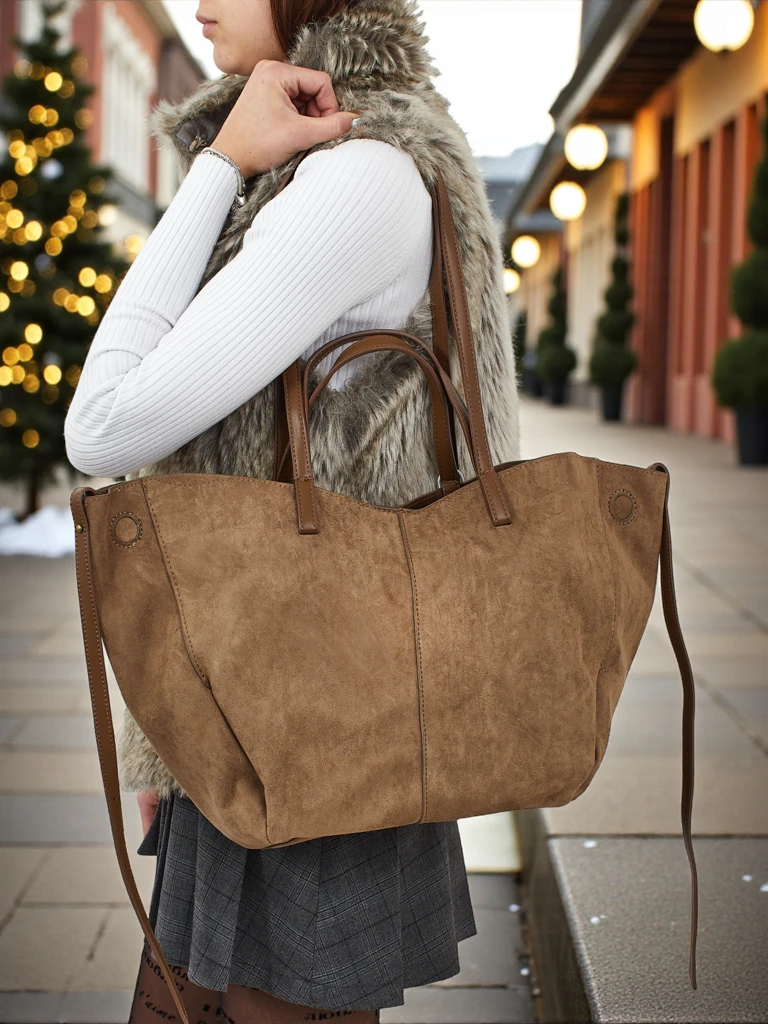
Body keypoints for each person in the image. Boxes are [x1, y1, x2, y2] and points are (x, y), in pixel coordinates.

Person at [64, 0, 522, 1020]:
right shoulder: (343, 163)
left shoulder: (354, 176)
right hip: (274, 696)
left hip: (303, 712)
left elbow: (101, 426)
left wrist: (219, 161)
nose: (197, 6)